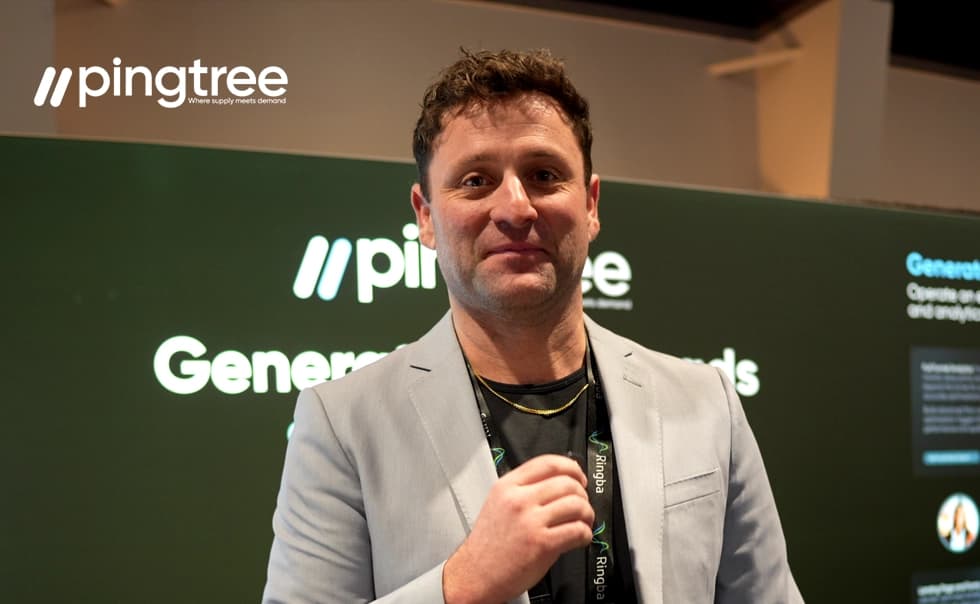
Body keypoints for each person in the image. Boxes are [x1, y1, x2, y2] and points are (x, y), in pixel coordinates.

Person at [262, 48, 802, 604]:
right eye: (476, 180)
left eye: (544, 175)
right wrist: (461, 586)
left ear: (590, 205)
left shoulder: (705, 403)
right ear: (425, 217)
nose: (516, 208)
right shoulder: (344, 424)